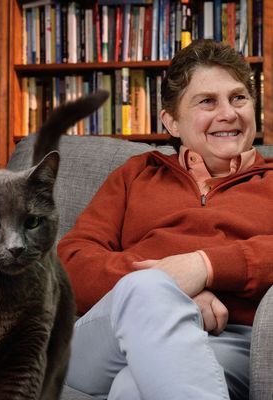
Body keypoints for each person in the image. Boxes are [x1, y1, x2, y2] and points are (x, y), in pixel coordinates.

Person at [57, 39, 273, 400]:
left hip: (231, 342)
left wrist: (203, 266)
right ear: (171, 121)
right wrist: (171, 288)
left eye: (238, 98)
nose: (229, 113)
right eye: (207, 101)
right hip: (109, 336)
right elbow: (71, 261)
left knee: (132, 388)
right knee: (147, 289)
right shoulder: (136, 174)